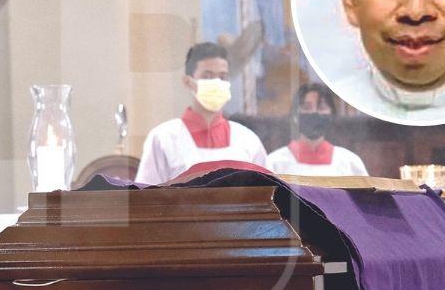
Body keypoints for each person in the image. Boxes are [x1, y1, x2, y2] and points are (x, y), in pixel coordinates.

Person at [136, 42, 268, 185]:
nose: (216, 83)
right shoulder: (164, 138)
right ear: (187, 82)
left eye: (222, 77)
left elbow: (271, 192)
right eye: (207, 76)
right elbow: (145, 197)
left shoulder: (248, 140)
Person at [267, 84, 368, 176]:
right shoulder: (274, 163)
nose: (314, 113)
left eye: (321, 107)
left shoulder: (350, 162)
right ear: (295, 116)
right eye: (307, 107)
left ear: (331, 115)